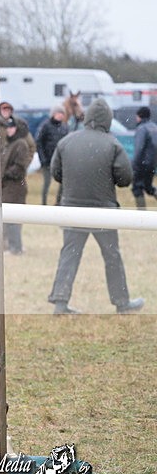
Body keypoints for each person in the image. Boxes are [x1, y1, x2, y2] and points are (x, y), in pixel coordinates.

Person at [48, 98, 145, 315]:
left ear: (88, 117)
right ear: (107, 120)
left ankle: (60, 303)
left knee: (69, 255)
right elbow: (125, 179)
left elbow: (56, 173)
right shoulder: (113, 144)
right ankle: (122, 303)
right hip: (104, 211)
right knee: (112, 257)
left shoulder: (66, 141)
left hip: (72, 209)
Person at [0, 116, 32, 255]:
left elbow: (20, 167)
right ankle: (11, 246)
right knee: (8, 219)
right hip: (8, 187)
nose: (9, 130)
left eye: (12, 127)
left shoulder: (21, 144)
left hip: (16, 187)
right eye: (8, 127)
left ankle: (15, 247)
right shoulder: (10, 144)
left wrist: (5, 174)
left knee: (13, 219)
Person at [35, 105, 69, 205]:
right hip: (48, 161)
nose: (60, 115)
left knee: (62, 183)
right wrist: (43, 159)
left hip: (60, 161)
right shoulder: (45, 126)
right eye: (58, 113)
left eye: (62, 113)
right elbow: (39, 143)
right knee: (47, 184)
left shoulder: (65, 127)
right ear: (53, 114)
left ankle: (58, 203)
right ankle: (44, 203)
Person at [130, 106, 157, 209]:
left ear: (140, 116)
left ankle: (141, 215)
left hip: (142, 164)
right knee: (148, 188)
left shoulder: (142, 128)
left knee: (137, 188)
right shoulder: (154, 127)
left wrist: (133, 165)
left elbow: (138, 149)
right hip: (152, 164)